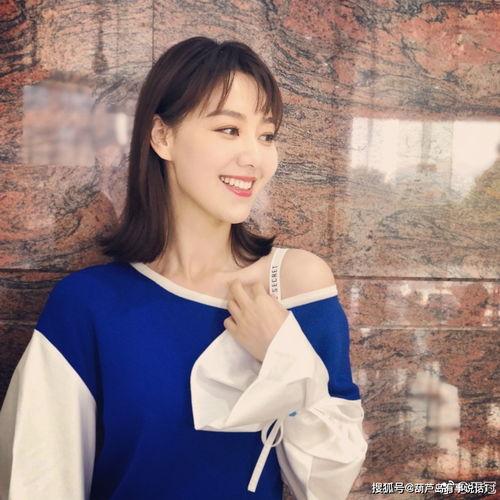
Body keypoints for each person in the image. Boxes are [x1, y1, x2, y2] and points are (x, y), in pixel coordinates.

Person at [0, 36, 368, 499]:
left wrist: (285, 356)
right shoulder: (88, 305)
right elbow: (37, 480)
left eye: (266, 135)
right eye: (228, 129)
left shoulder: (295, 283)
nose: (254, 157)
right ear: (163, 136)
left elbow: (329, 481)